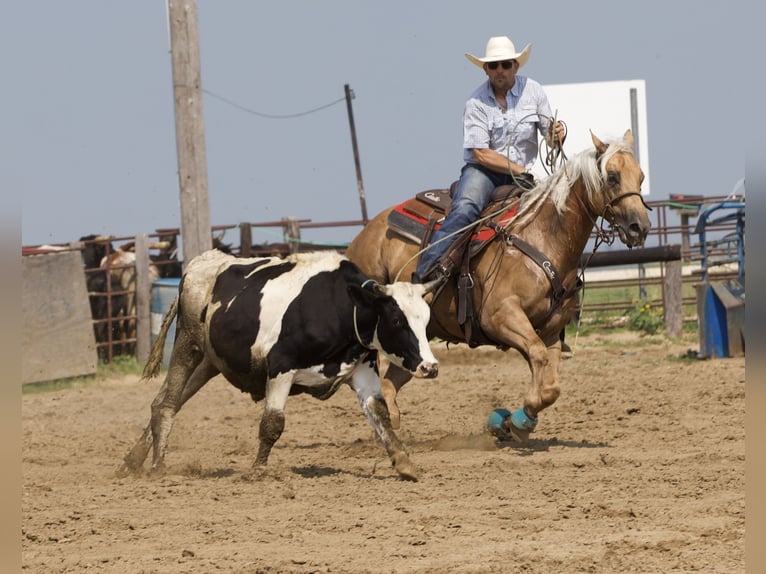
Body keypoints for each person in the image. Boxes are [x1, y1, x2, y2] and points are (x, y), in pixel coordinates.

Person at [412, 35, 565, 284]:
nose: (500, 70)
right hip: (483, 172)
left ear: (516, 65)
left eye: (505, 64)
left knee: (555, 212)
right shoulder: (476, 103)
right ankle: (423, 276)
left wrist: (558, 134)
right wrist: (518, 170)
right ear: (486, 69)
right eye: (494, 66)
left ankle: (561, 282)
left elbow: (549, 133)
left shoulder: (534, 91)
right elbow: (480, 153)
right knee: (465, 209)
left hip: (522, 172)